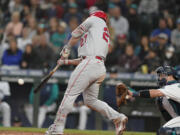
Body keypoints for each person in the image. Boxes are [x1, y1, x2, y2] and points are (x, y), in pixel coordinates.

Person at [45, 10, 127, 135]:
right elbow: (85, 58)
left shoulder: (95, 19)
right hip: (98, 67)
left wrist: (66, 48)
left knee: (69, 94)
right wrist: (65, 62)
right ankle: (118, 117)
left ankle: (57, 128)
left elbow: (76, 34)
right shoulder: (100, 33)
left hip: (90, 64)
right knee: (91, 101)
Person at [128, 66, 180, 134]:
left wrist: (134, 94)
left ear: (170, 76)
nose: (160, 78)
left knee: (164, 132)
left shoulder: (174, 86)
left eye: (162, 75)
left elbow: (154, 93)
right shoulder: (169, 90)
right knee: (163, 132)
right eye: (159, 76)